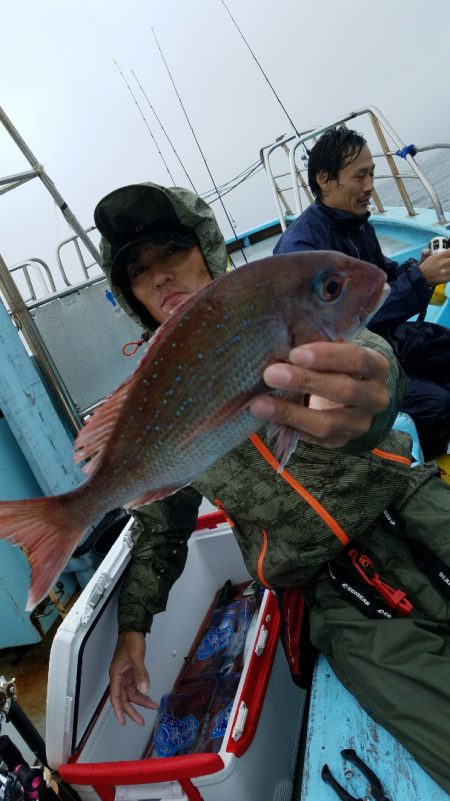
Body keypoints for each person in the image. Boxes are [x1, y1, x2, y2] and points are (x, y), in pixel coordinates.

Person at [94, 181, 450, 793]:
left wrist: (376, 392)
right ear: (129, 293)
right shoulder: (152, 397)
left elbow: (366, 356)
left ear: (206, 250)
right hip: (334, 594)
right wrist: (133, 632)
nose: (159, 278)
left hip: (410, 501)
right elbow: (159, 528)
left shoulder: (279, 303)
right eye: (138, 270)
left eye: (171, 252)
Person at [273, 126, 450, 460]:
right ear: (326, 179)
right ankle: (417, 463)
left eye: (372, 174)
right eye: (360, 176)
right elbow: (340, 325)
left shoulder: (358, 222)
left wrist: (417, 267)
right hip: (350, 364)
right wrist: (418, 281)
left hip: (391, 338)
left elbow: (380, 276)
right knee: (436, 405)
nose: (370, 186)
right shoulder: (301, 250)